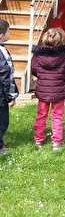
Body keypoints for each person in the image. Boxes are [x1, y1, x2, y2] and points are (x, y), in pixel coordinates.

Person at [31, 27, 65, 150]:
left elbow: (34, 70)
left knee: (41, 114)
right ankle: (57, 141)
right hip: (59, 90)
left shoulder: (37, 56)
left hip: (43, 90)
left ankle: (39, 139)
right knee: (57, 116)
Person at [0, 19, 18, 154]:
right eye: (8, 31)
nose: (9, 33)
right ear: (2, 35)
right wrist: (11, 95)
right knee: (2, 122)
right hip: (0, 96)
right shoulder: (2, 52)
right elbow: (6, 74)